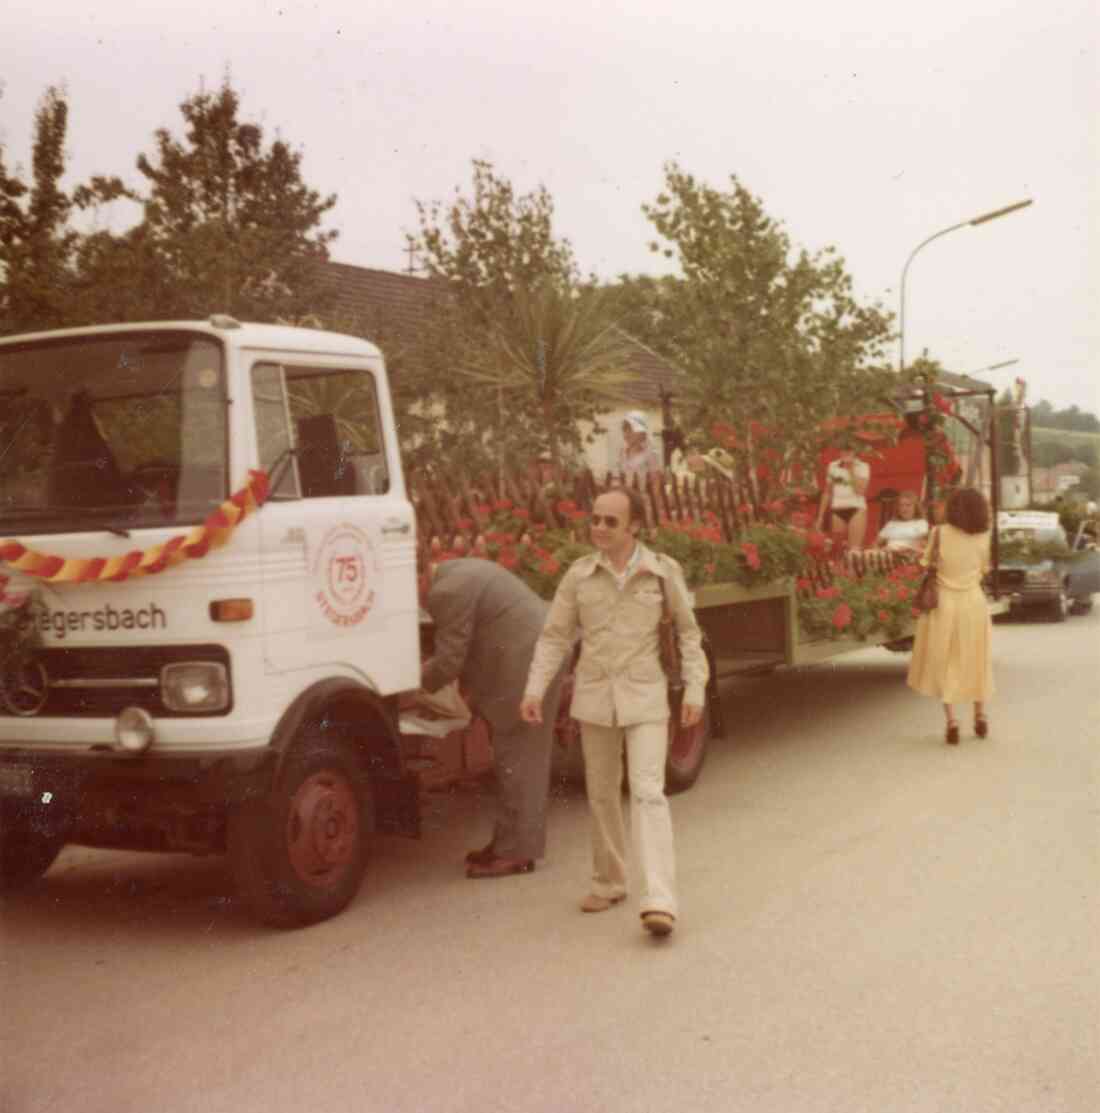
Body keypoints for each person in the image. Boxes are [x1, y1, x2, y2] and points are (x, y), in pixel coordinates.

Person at [520, 487, 709, 938]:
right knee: (602, 793)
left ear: (635, 526)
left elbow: (688, 633)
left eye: (610, 521)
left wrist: (695, 690)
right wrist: (534, 689)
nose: (599, 528)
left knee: (647, 791)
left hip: (645, 696)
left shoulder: (662, 573)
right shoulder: (579, 576)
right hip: (594, 698)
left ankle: (660, 898)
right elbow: (554, 637)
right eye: (595, 519)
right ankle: (609, 882)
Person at [421, 559, 565, 878]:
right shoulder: (455, 570)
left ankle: (516, 853)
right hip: (534, 651)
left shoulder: (445, 591)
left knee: (519, 757)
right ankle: (506, 843)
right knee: (512, 757)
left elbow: (449, 661)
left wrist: (411, 686)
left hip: (529, 659)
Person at [907, 487, 994, 745]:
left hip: (944, 602)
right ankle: (980, 716)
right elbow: (984, 570)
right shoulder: (984, 537)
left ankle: (952, 721)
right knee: (977, 658)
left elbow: (925, 564)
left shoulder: (939, 533)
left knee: (946, 659)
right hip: (973, 603)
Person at [816, 446, 870, 550]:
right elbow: (827, 492)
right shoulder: (833, 466)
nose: (846, 452)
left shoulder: (863, 466)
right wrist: (820, 517)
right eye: (844, 449)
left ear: (855, 451)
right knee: (837, 549)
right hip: (838, 509)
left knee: (854, 549)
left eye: (849, 450)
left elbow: (860, 491)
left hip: (856, 509)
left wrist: (850, 469)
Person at [874, 489, 929, 556]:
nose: (904, 508)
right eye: (901, 505)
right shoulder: (891, 524)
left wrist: (908, 549)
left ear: (915, 507)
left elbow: (924, 546)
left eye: (908, 505)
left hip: (909, 556)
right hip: (888, 555)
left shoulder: (921, 523)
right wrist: (880, 550)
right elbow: (876, 543)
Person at [617, 411, 661, 478]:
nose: (626, 434)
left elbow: (655, 480)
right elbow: (620, 476)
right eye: (624, 430)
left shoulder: (651, 453)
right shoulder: (623, 451)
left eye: (630, 430)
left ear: (641, 432)